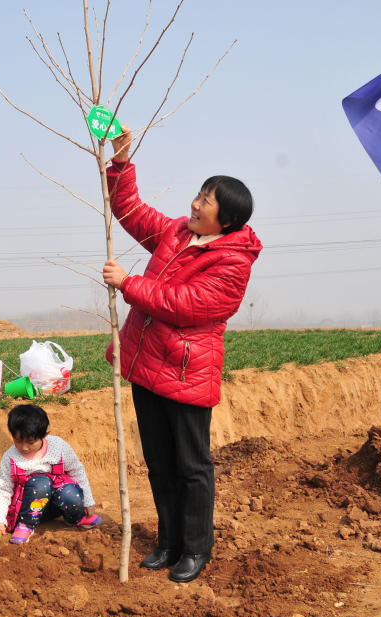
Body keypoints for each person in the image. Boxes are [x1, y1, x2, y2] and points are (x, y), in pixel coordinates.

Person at [101, 126, 262, 583]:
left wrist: (129, 284)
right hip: (147, 364)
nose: (194, 204)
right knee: (158, 459)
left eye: (206, 202)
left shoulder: (233, 261)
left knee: (192, 466)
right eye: (198, 195)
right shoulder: (175, 233)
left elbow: (188, 306)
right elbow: (129, 211)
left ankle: (196, 548)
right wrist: (121, 160)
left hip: (188, 373)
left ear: (225, 220)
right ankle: (167, 541)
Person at [0, 404, 102, 544]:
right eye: (18, 440)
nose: (24, 447)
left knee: (70, 493)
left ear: (45, 435)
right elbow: (3, 490)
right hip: (28, 507)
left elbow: (77, 471)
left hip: (57, 505)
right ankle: (26, 525)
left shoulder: (58, 446)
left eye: (30, 442)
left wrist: (88, 501)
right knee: (40, 483)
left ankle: (75, 517)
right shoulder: (10, 457)